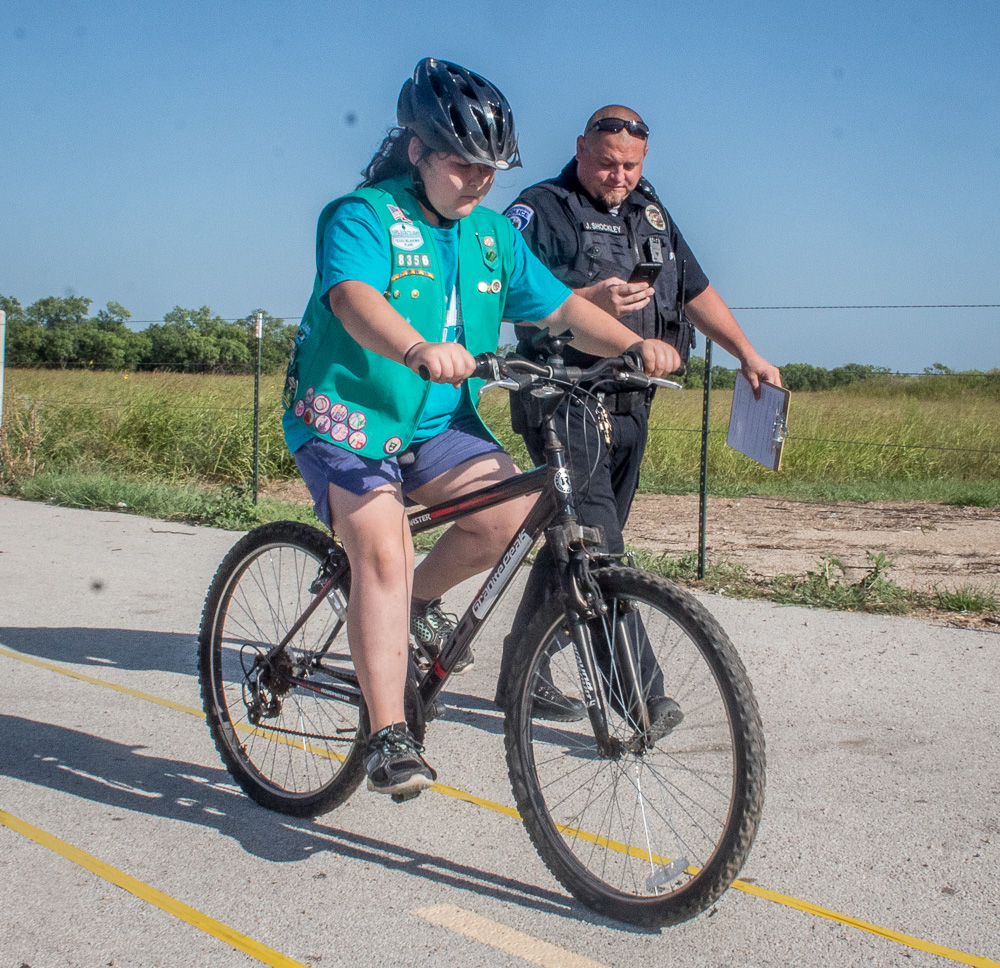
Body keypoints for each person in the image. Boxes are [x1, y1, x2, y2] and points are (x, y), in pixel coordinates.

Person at [282, 64, 678, 799]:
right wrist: (412, 347)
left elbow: (558, 308)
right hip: (349, 417)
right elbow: (352, 296)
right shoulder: (363, 215)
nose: (477, 180)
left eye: (490, 168)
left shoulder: (493, 238)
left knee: (507, 514)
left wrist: (629, 345)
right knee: (382, 546)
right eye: (461, 162)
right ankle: (388, 733)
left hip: (435, 420)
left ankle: (412, 609)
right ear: (416, 151)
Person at [498, 105, 781, 722]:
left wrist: (748, 355)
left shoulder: (650, 212)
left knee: (571, 543)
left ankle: (521, 670)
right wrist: (579, 302)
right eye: (605, 162)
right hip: (562, 401)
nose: (617, 175)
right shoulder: (539, 207)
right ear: (579, 147)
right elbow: (491, 293)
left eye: (629, 165)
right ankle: (638, 697)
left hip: (630, 402)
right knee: (600, 550)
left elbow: (696, 292)